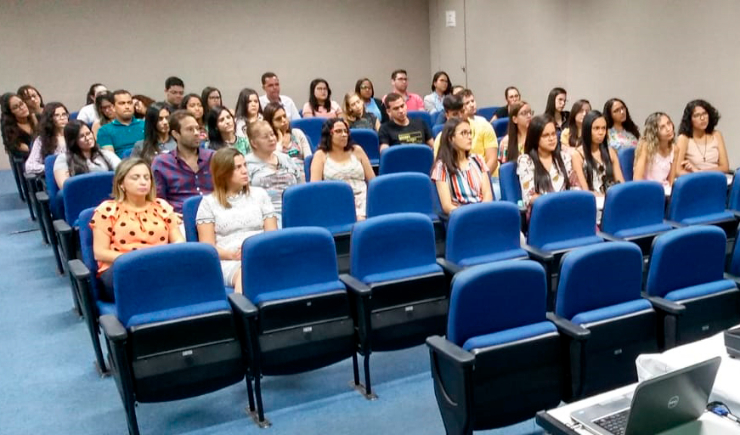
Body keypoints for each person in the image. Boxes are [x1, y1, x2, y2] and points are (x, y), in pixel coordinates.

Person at [90, 158, 184, 298]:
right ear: (121, 183)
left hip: (159, 264)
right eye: (136, 177)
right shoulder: (107, 210)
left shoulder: (162, 206)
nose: (143, 182)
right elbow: (100, 252)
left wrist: (160, 259)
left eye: (147, 177)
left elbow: (179, 242)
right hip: (122, 267)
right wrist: (137, 260)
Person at [196, 148, 277, 293]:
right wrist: (232, 254)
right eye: (238, 168)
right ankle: (243, 313)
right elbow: (208, 248)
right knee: (246, 272)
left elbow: (272, 235)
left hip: (261, 253)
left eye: (245, 165)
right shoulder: (208, 203)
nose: (245, 171)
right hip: (229, 260)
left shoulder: (260, 194)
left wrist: (253, 251)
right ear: (223, 173)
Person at [310, 118, 375, 219]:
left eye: (346, 131)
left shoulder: (357, 150)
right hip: (336, 201)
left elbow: (373, 181)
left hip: (364, 198)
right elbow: (315, 189)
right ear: (328, 134)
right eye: (338, 131)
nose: (344, 135)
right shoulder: (320, 155)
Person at [152, 110, 215, 214]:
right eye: (190, 129)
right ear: (176, 134)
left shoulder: (213, 157)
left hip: (214, 214)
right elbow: (158, 200)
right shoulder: (162, 163)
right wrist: (170, 216)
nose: (196, 133)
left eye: (197, 128)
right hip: (181, 217)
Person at [243, 120, 302, 224]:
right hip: (264, 215)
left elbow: (301, 186)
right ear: (254, 143)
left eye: (272, 134)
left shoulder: (286, 158)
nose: (272, 139)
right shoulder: (245, 164)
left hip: (294, 210)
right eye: (265, 137)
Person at [431, 118, 493, 214]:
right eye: (464, 133)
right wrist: (469, 216)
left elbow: (487, 194)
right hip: (462, 216)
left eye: (470, 133)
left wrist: (482, 213)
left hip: (484, 211)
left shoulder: (478, 160)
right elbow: (447, 206)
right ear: (451, 138)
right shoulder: (442, 166)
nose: (469, 137)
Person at [517, 114, 575, 208]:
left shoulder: (564, 157)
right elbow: (530, 197)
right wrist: (555, 203)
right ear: (535, 138)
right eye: (546, 135)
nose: (552, 139)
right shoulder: (526, 161)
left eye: (553, 134)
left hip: (565, 208)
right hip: (542, 210)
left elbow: (573, 186)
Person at [54, 120, 120, 188]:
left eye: (88, 133)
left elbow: (122, 171)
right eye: (82, 136)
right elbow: (64, 187)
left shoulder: (104, 154)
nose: (88, 138)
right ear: (73, 141)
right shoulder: (63, 159)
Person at [572, 111, 625, 196]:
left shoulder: (610, 152)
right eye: (596, 128)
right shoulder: (577, 155)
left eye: (603, 128)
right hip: (591, 201)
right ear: (587, 129)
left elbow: (621, 183)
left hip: (612, 199)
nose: (601, 132)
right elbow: (584, 190)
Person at [674, 99, 729, 175]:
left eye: (705, 114)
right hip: (695, 180)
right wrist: (697, 175)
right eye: (697, 115)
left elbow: (725, 167)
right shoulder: (684, 138)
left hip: (716, 178)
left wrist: (700, 172)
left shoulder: (716, 134)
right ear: (690, 120)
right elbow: (677, 171)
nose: (702, 118)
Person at [263, 102, 311, 180]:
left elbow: (309, 159)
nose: (284, 120)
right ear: (270, 123)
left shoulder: (297, 133)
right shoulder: (269, 142)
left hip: (303, 177)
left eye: (284, 116)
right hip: (283, 179)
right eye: (278, 119)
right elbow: (274, 164)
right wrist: (280, 142)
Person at [633, 112, 677, 187]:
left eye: (669, 123)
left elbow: (671, 181)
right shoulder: (646, 147)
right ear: (654, 132)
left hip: (665, 190)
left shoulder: (675, 149)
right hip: (647, 189)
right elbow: (637, 179)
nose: (668, 129)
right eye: (662, 127)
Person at [97, 90, 145, 157]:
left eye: (129, 103)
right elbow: (110, 159)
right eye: (122, 103)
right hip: (122, 165)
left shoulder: (145, 124)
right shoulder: (104, 130)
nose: (127, 106)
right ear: (113, 107)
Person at [460, 89, 499, 172]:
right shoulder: (456, 128)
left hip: (489, 175)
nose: (471, 105)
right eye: (467, 103)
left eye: (472, 101)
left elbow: (492, 160)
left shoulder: (484, 124)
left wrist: (481, 180)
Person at [25, 103, 68, 175]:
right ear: (49, 118)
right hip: (55, 177)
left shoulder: (74, 135)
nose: (62, 118)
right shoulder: (41, 140)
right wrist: (52, 168)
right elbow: (29, 166)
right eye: (57, 115)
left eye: (64, 114)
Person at [1, 92, 37, 157]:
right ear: (10, 113)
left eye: (22, 103)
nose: (22, 108)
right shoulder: (11, 130)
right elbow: (29, 150)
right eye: (16, 107)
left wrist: (35, 121)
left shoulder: (36, 118)